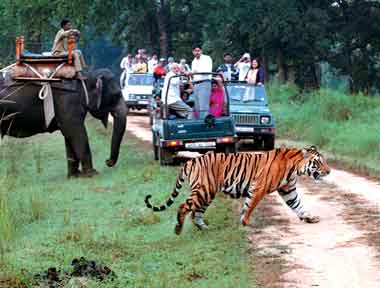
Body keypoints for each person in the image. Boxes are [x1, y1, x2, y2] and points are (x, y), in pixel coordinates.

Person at [191, 44, 213, 119]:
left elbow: (207, 71)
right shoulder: (193, 61)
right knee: (197, 106)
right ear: (193, 52)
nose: (197, 52)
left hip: (204, 82)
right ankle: (198, 122)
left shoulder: (207, 58)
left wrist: (194, 72)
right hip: (196, 84)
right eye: (195, 51)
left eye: (198, 50)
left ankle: (204, 124)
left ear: (201, 51)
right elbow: (193, 75)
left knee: (203, 106)